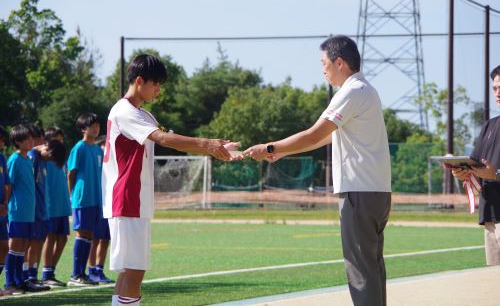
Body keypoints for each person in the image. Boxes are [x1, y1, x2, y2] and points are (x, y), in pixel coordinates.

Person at [244, 36, 392, 306]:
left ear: (339, 62)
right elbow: (327, 137)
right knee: (372, 267)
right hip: (375, 191)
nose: (322, 70)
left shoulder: (351, 92)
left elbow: (314, 134)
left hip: (359, 191)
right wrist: (280, 151)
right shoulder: (366, 90)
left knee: (361, 271)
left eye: (324, 63)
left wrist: (268, 147)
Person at [102, 54, 236, 306]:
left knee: (129, 270)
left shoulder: (142, 115)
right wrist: (207, 144)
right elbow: (163, 139)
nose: (158, 90)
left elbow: (170, 137)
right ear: (139, 81)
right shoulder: (126, 111)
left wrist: (219, 147)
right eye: (156, 84)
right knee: (134, 270)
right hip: (127, 199)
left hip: (132, 201)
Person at [450, 64, 500, 265]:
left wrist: (495, 174)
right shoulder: (489, 125)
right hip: (490, 215)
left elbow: (491, 172)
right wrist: (462, 173)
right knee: (493, 285)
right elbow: (475, 165)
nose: (498, 93)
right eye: (495, 88)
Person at [4, 124, 46, 294]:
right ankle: (10, 282)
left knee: (24, 244)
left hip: (29, 210)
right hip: (17, 209)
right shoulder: (14, 159)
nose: (31, 141)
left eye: (31, 137)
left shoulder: (28, 159)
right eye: (28, 138)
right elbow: (8, 185)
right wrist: (6, 205)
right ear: (18, 141)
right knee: (14, 244)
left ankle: (20, 280)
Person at [67, 113, 103, 286]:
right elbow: (71, 173)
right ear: (83, 129)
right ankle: (76, 274)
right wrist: (72, 195)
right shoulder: (79, 148)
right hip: (82, 198)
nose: (96, 128)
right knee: (82, 234)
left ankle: (83, 273)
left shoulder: (97, 149)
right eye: (92, 126)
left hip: (96, 198)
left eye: (97, 125)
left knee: (89, 235)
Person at [41, 127, 71, 287]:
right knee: (50, 237)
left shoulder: (60, 158)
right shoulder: (42, 158)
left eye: (61, 138)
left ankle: (51, 271)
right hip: (50, 204)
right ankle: (46, 273)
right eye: (56, 139)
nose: (59, 141)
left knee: (63, 238)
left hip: (62, 204)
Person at [24, 125, 50, 291]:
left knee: (39, 242)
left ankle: (33, 275)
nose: (43, 143)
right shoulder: (32, 156)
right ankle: (25, 276)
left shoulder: (41, 159)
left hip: (42, 207)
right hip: (32, 209)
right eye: (40, 138)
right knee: (30, 243)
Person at [87, 135, 113, 284]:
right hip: (97, 203)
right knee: (95, 239)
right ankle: (91, 271)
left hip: (109, 204)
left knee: (105, 239)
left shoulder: (111, 161)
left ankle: (99, 270)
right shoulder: (96, 159)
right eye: (103, 145)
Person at [0, 126, 12, 296]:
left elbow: (7, 184)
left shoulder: (2, 158)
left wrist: (4, 203)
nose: (2, 142)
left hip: (1, 210)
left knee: (4, 246)